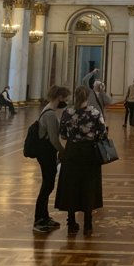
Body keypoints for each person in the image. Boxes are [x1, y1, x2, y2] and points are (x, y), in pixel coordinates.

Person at [55, 85, 107, 237]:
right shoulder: (95, 112)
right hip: (89, 153)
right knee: (88, 185)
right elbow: (102, 133)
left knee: (71, 185)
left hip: (72, 152)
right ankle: (88, 224)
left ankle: (71, 222)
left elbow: (63, 135)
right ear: (87, 97)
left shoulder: (68, 112)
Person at [33, 85, 70, 233]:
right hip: (46, 154)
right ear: (59, 97)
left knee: (48, 186)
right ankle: (39, 220)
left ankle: (44, 217)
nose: (66, 101)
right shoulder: (49, 114)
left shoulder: (49, 111)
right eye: (65, 98)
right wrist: (63, 152)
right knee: (46, 187)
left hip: (47, 153)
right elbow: (54, 139)